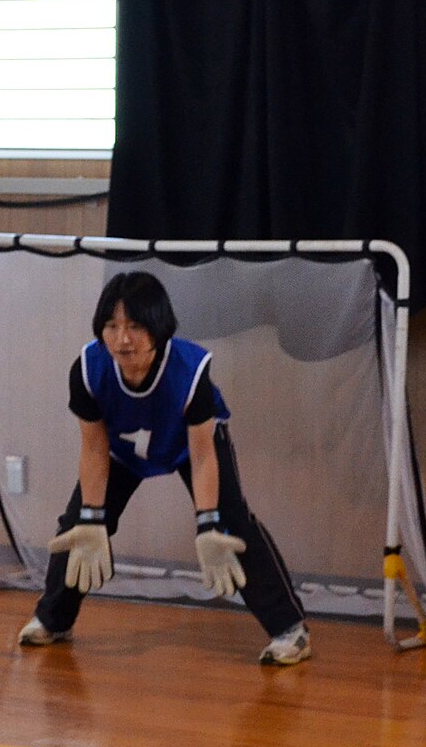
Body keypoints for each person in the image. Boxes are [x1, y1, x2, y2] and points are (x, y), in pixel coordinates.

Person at [17, 272, 312, 666]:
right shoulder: (87, 370)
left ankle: (291, 630)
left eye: (135, 326)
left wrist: (208, 523)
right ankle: (52, 620)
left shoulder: (190, 373)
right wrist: (91, 516)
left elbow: (204, 454)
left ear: (159, 327)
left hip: (190, 448)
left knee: (232, 525)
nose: (122, 339)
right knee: (79, 528)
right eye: (112, 326)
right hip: (121, 451)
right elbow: (93, 446)